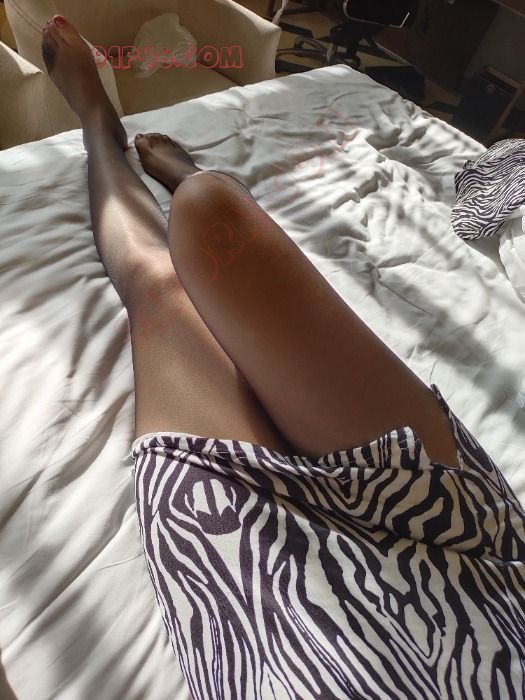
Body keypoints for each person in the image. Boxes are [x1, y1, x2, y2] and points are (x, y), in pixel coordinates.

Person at [42, 16, 525, 699]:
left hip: (280, 628)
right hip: (475, 566)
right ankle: (191, 178)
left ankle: (97, 123)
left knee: (161, 288)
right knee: (211, 212)